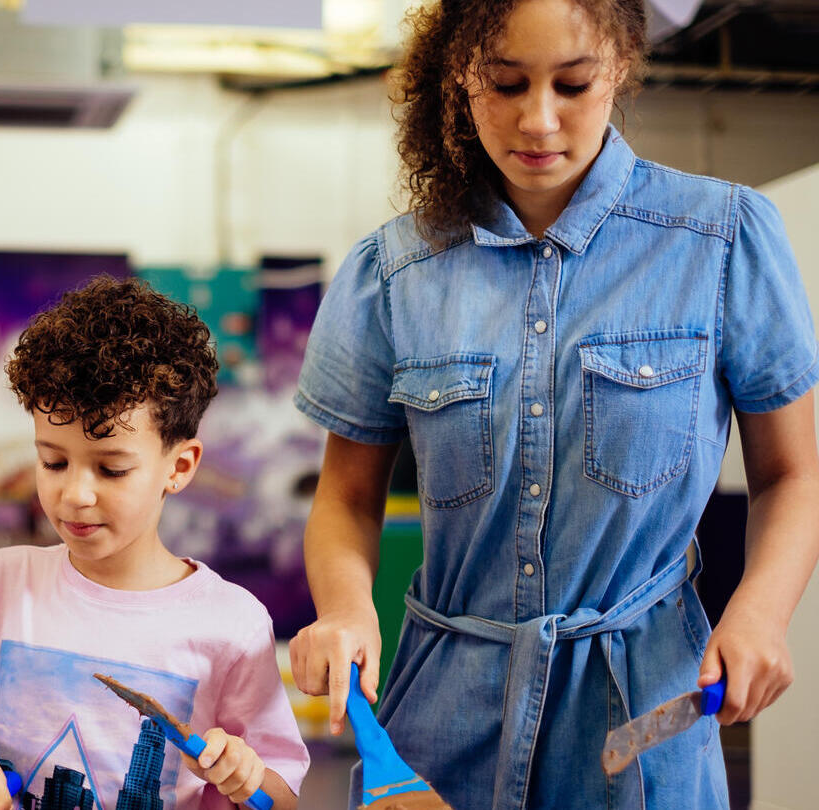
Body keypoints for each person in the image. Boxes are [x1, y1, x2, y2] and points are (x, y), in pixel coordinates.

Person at [286, 0, 819, 808]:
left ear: (620, 72)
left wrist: (760, 614)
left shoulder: (723, 240)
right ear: (461, 78)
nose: (538, 121)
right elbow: (347, 495)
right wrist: (345, 608)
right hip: (442, 716)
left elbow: (793, 475)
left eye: (573, 84)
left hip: (641, 707)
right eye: (504, 84)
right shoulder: (393, 272)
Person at [0, 277, 310, 810]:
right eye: (53, 461)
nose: (75, 494)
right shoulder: (9, 579)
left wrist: (247, 776)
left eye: (112, 469)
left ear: (180, 466)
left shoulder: (233, 625)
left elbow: (284, 802)